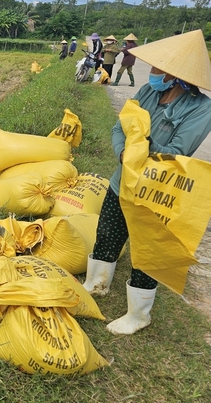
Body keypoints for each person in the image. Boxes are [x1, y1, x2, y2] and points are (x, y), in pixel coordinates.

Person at [83, 30, 211, 335]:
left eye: (158, 68)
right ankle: (96, 283)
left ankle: (139, 314)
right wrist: (124, 151)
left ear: (176, 75)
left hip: (158, 192)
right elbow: (120, 127)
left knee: (147, 251)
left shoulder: (202, 109)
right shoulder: (147, 91)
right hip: (122, 181)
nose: (152, 73)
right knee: (108, 234)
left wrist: (140, 147)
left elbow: (177, 151)